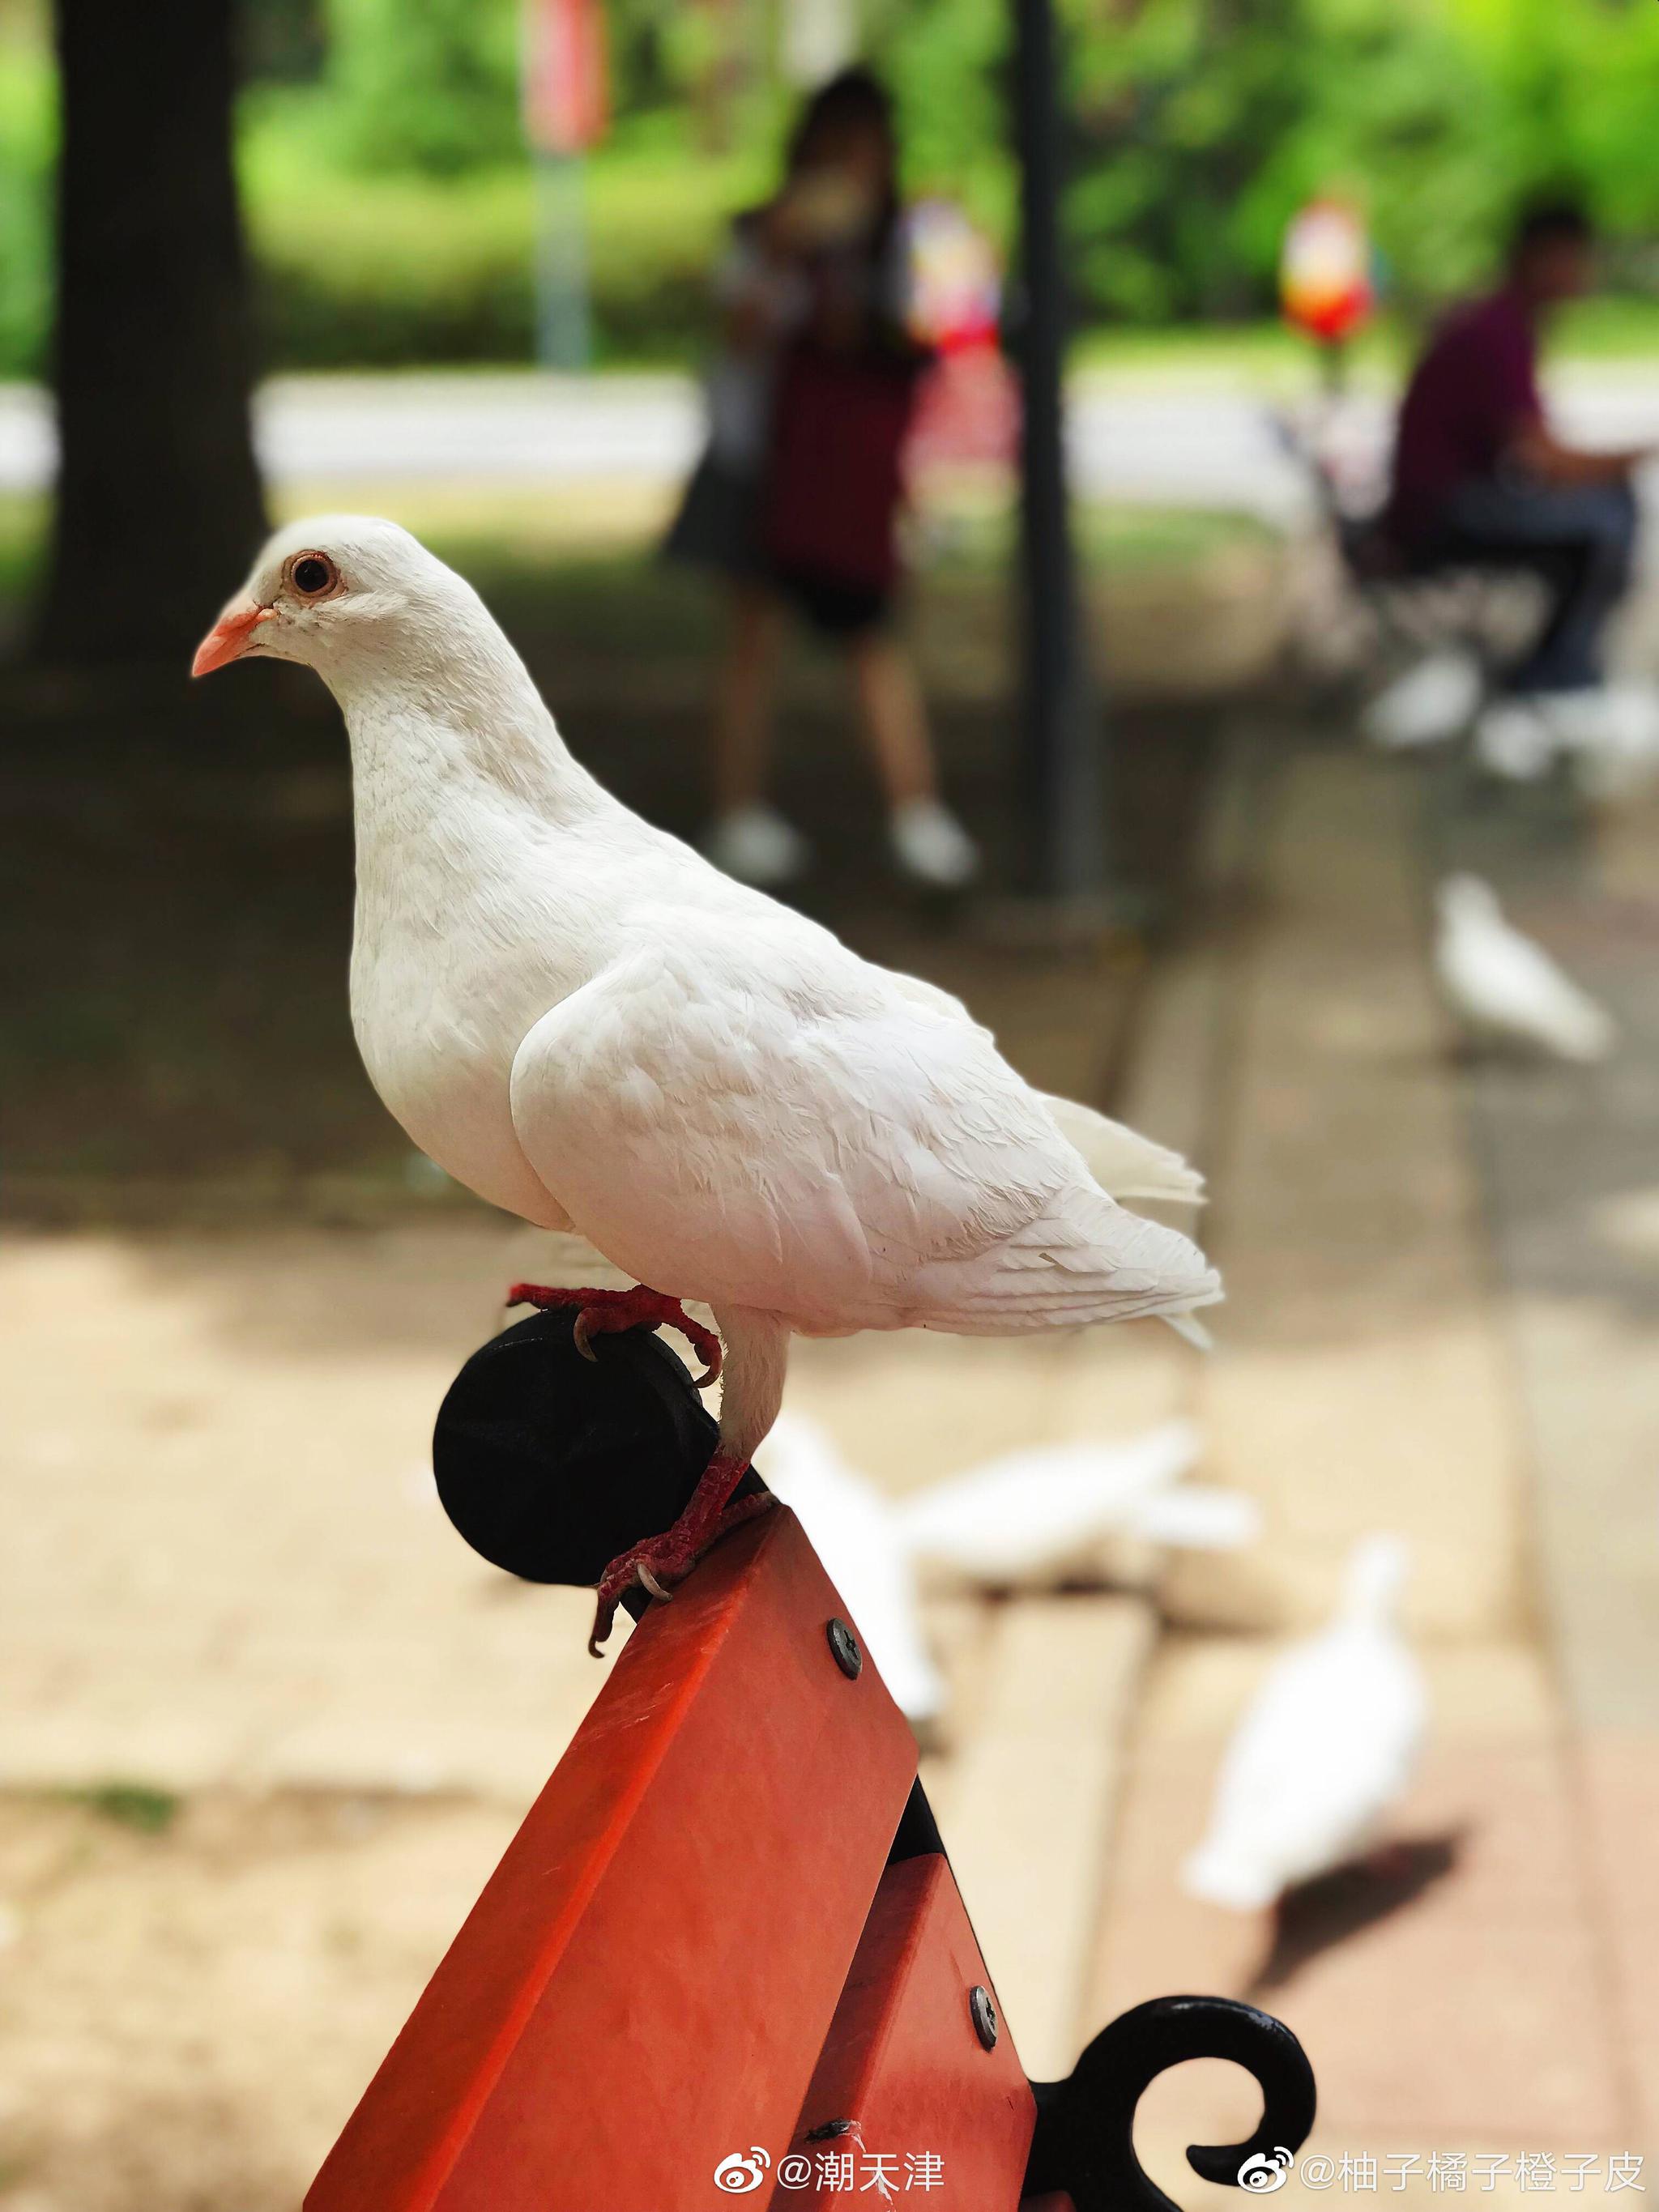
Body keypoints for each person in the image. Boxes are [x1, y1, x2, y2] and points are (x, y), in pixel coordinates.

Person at [663, 67, 980, 890]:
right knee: (752, 639)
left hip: (838, 475)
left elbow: (912, 344)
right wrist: (780, 256)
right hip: (755, 462)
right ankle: (737, 811)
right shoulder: (759, 234)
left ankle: (916, 815)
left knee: (868, 637)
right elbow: (737, 336)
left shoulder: (892, 245)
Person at [1386, 198, 1653, 750]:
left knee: (1606, 508)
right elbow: (1544, 459)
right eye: (1578, 259)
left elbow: (1533, 456)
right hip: (1438, 517)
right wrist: (1637, 454)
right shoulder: (1497, 331)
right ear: (1542, 257)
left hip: (1449, 502)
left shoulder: (1503, 323)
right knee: (1605, 520)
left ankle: (1557, 670)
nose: (1585, 274)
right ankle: (1560, 679)